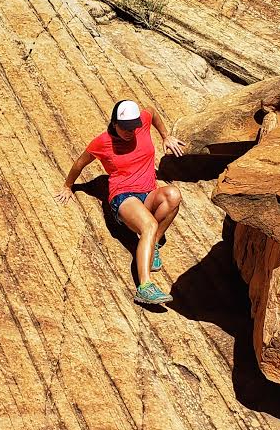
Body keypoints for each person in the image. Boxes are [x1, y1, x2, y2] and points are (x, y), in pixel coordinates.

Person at [56, 99, 184, 306]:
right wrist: (69, 186)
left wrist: (165, 135)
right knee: (149, 225)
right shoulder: (103, 142)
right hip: (124, 197)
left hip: (148, 194)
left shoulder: (141, 122)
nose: (129, 131)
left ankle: (154, 243)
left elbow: (151, 111)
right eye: (124, 127)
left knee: (173, 195)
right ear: (114, 123)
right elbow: (80, 162)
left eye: (132, 127)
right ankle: (144, 287)